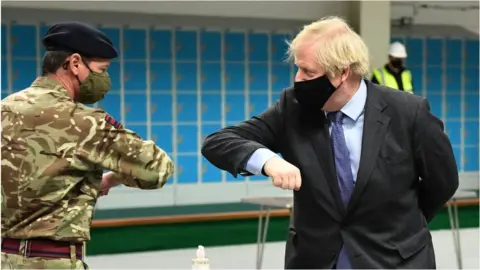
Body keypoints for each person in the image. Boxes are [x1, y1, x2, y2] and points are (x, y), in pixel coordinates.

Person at [201, 16, 458, 269]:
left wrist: (403, 223)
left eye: (308, 71)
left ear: (343, 72)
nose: (298, 78)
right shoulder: (293, 107)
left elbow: (443, 181)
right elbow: (218, 142)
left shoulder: (408, 112)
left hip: (394, 260)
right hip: (315, 260)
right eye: (298, 68)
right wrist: (268, 161)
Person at [1, 21, 174, 269]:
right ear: (74, 64)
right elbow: (158, 169)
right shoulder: (83, 122)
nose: (103, 79)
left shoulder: (5, 108)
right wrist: (113, 178)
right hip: (52, 261)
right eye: (101, 70)